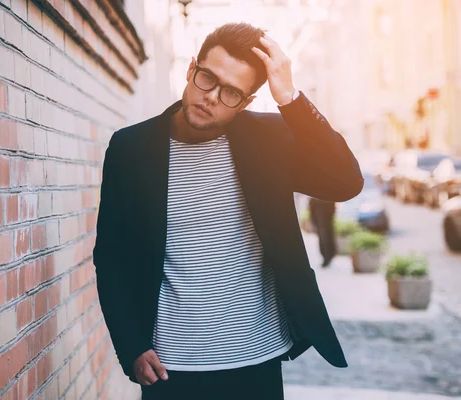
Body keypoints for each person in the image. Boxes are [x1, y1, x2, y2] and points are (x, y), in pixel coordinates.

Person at [93, 22, 363, 400]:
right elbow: (111, 257)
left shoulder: (268, 140)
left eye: (232, 92)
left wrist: (290, 98)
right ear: (191, 70)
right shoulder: (131, 148)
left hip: (257, 359)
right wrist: (131, 346)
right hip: (171, 367)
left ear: (248, 101)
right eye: (207, 79)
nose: (212, 97)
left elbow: (345, 182)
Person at [309, 198, 337, 267]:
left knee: (325, 236)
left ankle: (328, 256)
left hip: (324, 216)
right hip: (323, 216)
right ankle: (328, 256)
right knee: (325, 236)